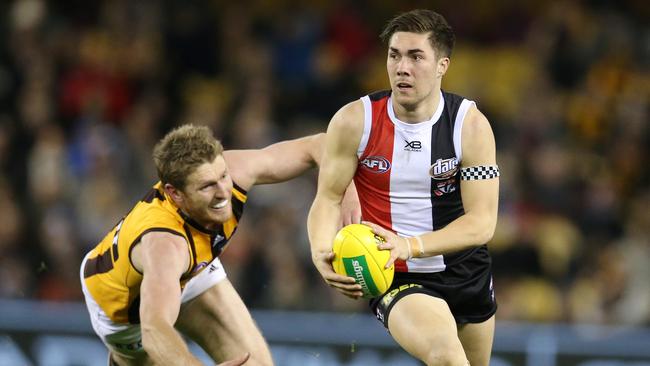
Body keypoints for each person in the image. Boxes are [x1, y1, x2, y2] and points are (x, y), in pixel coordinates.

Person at [308, 9, 499, 366]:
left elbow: (482, 223)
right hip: (395, 274)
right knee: (446, 358)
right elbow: (328, 198)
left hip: (466, 270)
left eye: (416, 56)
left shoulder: (469, 126)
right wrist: (321, 251)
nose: (402, 67)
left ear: (442, 65)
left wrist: (410, 245)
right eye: (394, 55)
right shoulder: (354, 121)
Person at [80, 124, 340, 365]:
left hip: (194, 271)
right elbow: (153, 329)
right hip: (126, 312)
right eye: (207, 186)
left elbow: (320, 146)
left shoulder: (235, 170)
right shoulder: (165, 245)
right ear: (175, 193)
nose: (224, 192)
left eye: (223, 176)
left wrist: (346, 194)